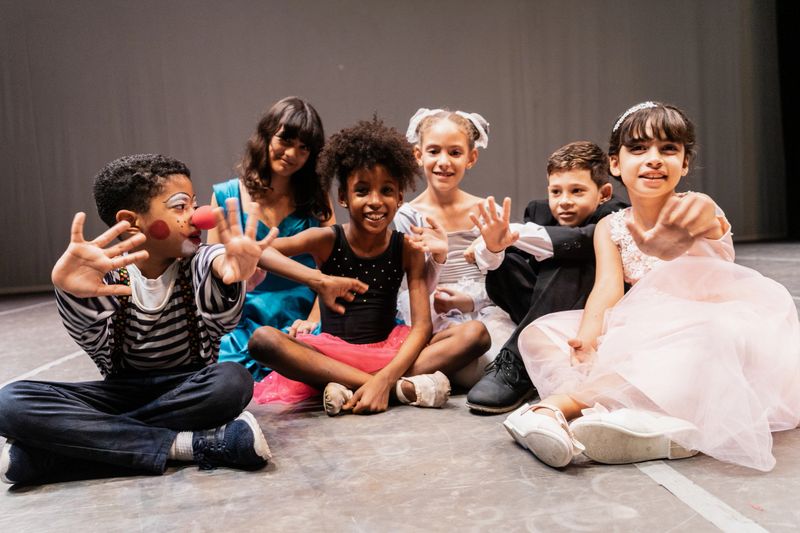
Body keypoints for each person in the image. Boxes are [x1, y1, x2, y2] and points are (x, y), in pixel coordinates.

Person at [503, 102, 800, 471]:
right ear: (615, 164)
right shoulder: (610, 227)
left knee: (699, 342)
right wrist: (588, 337)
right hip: (640, 325)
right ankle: (651, 424)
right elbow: (607, 289)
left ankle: (554, 409)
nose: (654, 159)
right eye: (639, 149)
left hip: (707, 329)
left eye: (669, 149)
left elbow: (704, 216)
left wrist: (678, 237)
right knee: (541, 335)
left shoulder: (697, 207)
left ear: (685, 164)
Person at [0, 154, 274, 485]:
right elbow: (93, 341)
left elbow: (224, 311)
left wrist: (232, 276)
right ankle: (187, 444)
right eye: (180, 207)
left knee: (232, 381)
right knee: (10, 401)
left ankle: (66, 450)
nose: (200, 218)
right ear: (132, 221)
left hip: (189, 389)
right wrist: (71, 293)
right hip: (120, 393)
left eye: (195, 204)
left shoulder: (202, 262)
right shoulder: (105, 277)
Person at [248, 118, 491, 414]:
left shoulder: (407, 248)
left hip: (389, 351)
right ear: (343, 197)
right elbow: (258, 252)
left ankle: (363, 385)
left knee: (475, 334)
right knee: (263, 341)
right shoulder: (325, 239)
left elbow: (422, 327)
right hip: (331, 356)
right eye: (362, 191)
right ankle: (397, 389)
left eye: (386, 191)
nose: (375, 201)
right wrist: (318, 280)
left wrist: (387, 374)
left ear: (400, 197)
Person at [465, 141, 627, 413]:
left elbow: (581, 239)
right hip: (536, 306)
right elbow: (511, 268)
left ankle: (517, 362)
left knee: (569, 257)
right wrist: (492, 246)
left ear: (604, 193)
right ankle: (525, 355)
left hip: (586, 311)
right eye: (556, 191)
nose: (564, 201)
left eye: (577, 191)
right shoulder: (537, 211)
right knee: (507, 257)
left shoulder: (615, 212)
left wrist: (513, 233)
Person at [209, 96, 333, 381]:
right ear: (266, 135)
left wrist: (314, 319)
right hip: (242, 321)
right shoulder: (226, 196)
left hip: (303, 318)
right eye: (286, 140)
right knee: (226, 376)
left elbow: (331, 268)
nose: (292, 153)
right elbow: (211, 273)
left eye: (304, 148)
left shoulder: (316, 198)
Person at [394, 108, 516, 388]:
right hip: (432, 314)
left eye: (455, 153)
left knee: (496, 360)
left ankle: (423, 381)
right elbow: (412, 286)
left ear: (471, 158)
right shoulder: (409, 215)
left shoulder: (487, 210)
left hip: (485, 309)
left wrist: (471, 302)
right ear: (418, 155)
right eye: (434, 151)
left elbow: (504, 282)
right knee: (463, 362)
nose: (443, 162)